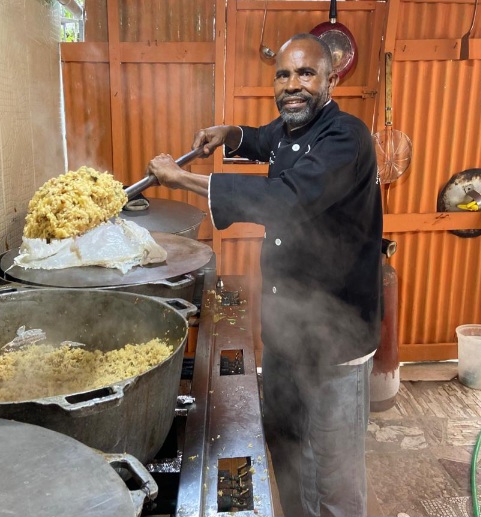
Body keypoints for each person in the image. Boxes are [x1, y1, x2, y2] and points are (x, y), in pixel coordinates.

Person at [146, 33, 382, 517]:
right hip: (284, 334)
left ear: (331, 79)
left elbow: (286, 200)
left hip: (334, 341)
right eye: (283, 75)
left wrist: (183, 179)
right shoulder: (291, 129)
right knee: (286, 446)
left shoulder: (345, 138)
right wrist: (230, 133)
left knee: (333, 471)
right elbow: (263, 139)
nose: (293, 85)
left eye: (306, 74)